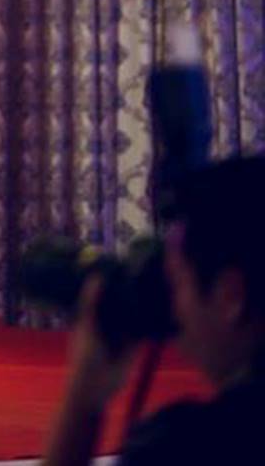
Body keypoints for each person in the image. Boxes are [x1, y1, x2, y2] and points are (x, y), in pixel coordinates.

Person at [42, 154, 265, 465]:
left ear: (231, 297)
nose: (172, 308)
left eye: (177, 283)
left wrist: (83, 400)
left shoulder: (192, 445)